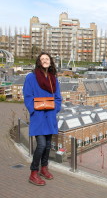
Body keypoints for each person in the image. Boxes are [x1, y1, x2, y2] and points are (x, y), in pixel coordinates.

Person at [23, 52, 62, 186]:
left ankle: (43, 168)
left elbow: (58, 97)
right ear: (39, 62)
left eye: (47, 59)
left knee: (47, 146)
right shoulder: (31, 77)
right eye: (42, 59)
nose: (45, 61)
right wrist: (33, 110)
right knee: (41, 145)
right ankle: (33, 173)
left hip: (50, 116)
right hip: (38, 117)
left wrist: (55, 108)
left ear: (50, 62)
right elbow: (27, 96)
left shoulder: (53, 79)